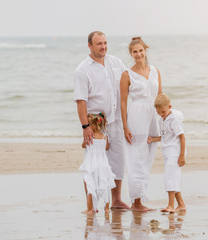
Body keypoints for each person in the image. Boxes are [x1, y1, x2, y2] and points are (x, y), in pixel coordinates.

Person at [74, 31, 130, 210]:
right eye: (99, 43)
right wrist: (85, 127)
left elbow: (128, 85)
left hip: (117, 120)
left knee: (118, 161)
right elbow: (81, 101)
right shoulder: (82, 70)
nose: (103, 46)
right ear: (89, 46)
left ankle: (116, 200)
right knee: (93, 164)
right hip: (96, 125)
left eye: (105, 42)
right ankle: (90, 205)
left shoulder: (116, 62)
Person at [120, 36, 162, 211]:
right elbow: (123, 102)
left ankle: (140, 198)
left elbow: (160, 96)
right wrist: (125, 127)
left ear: (145, 51)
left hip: (153, 115)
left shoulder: (155, 71)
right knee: (137, 156)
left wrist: (165, 118)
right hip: (137, 116)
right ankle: (136, 202)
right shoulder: (126, 74)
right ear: (131, 54)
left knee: (148, 156)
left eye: (140, 51)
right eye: (134, 52)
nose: (138, 54)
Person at [148, 94, 186, 213]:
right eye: (158, 112)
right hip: (167, 150)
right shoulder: (161, 119)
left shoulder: (175, 119)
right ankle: (181, 204)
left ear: (170, 106)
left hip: (175, 151)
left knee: (170, 177)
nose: (161, 114)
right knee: (172, 177)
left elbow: (182, 137)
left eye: (163, 111)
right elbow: (165, 137)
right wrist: (152, 139)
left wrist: (182, 155)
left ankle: (170, 205)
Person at [79, 113, 116, 215]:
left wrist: (85, 140)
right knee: (105, 183)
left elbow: (83, 146)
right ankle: (107, 208)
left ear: (93, 126)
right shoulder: (105, 136)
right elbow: (107, 148)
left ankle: (90, 208)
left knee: (89, 183)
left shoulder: (89, 137)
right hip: (103, 164)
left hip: (91, 164)